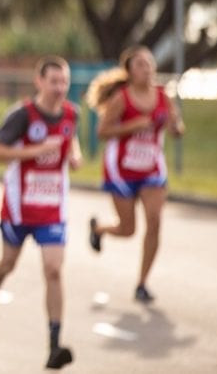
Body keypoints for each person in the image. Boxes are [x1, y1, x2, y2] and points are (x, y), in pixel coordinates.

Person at [0, 56, 83, 370]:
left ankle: (54, 345)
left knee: (53, 269)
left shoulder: (71, 114)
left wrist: (74, 155)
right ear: (39, 82)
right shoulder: (22, 116)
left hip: (52, 207)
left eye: (64, 81)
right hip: (20, 207)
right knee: (7, 263)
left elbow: (70, 139)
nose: (60, 88)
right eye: (54, 81)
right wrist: (35, 151)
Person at [86, 45, 185, 303]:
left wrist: (176, 127)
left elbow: (176, 126)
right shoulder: (122, 99)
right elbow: (102, 132)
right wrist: (133, 126)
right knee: (128, 229)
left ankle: (142, 283)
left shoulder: (163, 97)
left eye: (149, 63)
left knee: (155, 221)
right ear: (129, 71)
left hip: (152, 168)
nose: (147, 68)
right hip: (122, 170)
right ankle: (99, 229)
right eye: (140, 65)